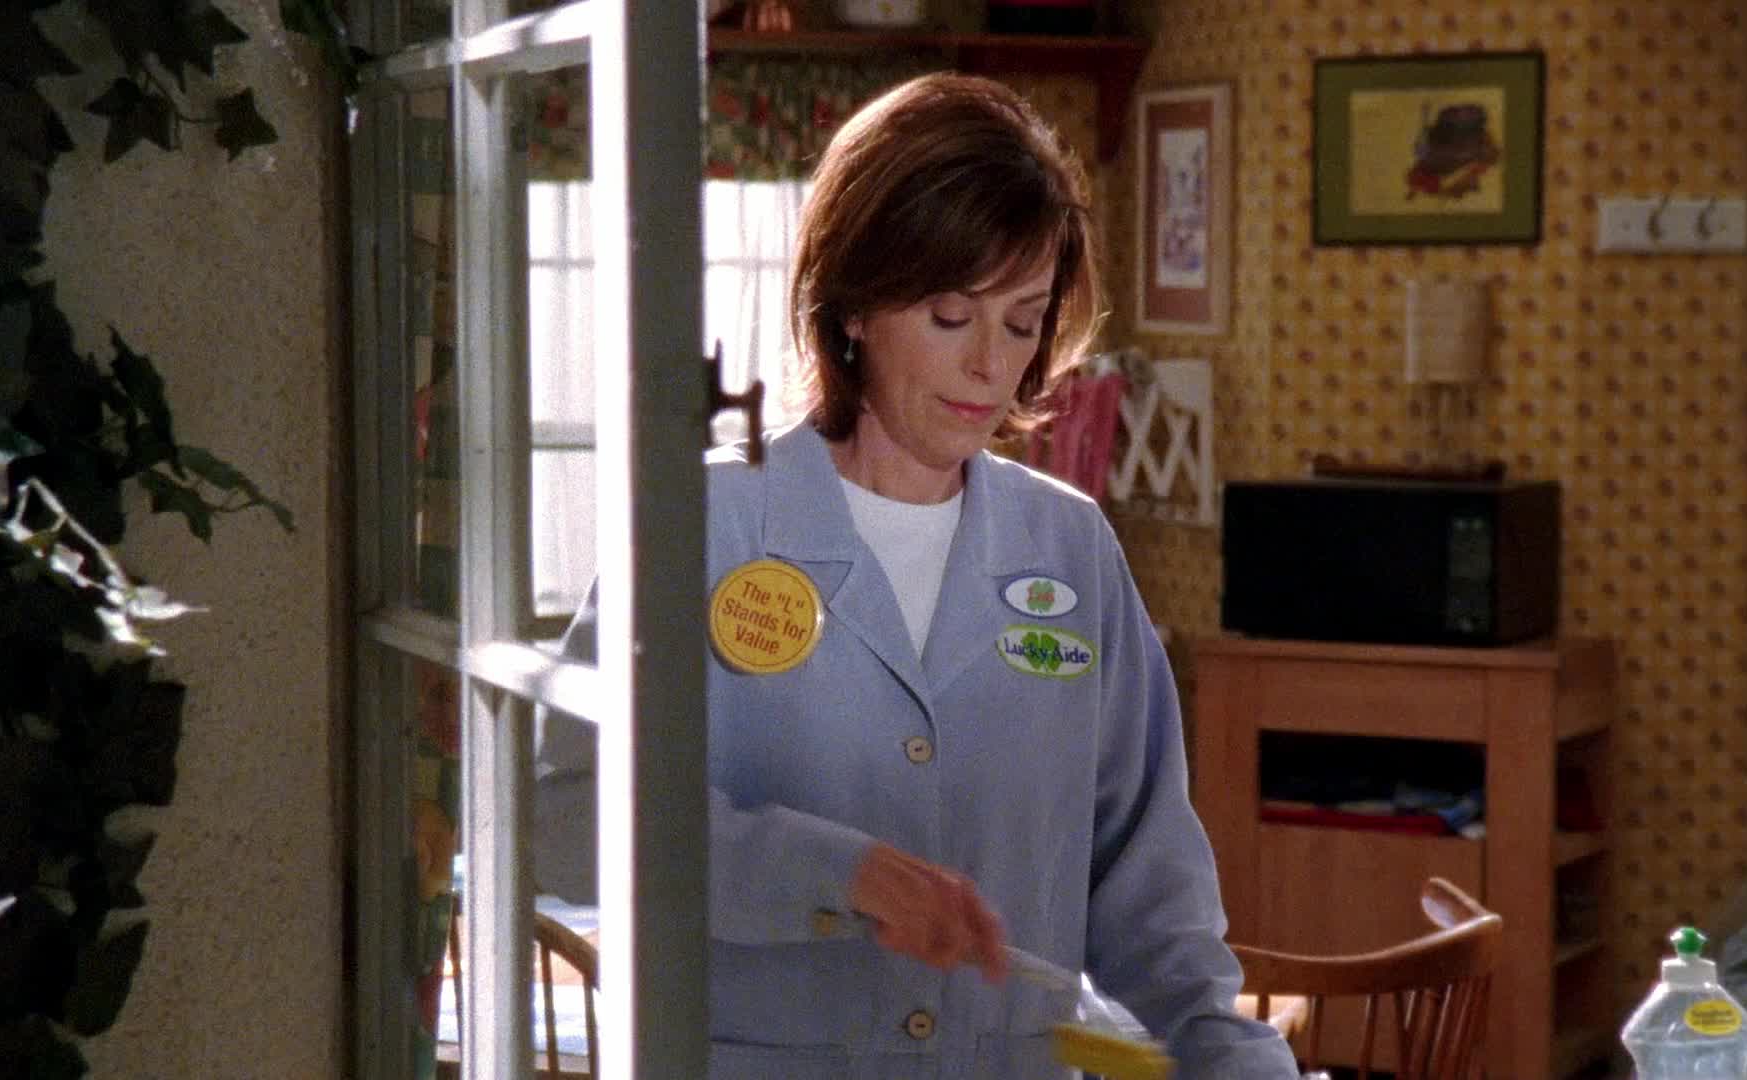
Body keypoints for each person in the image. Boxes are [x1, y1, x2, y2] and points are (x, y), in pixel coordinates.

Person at [538, 72, 1298, 1079]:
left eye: (1022, 323)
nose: (991, 366)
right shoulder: (703, 525)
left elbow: (1152, 900)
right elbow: (564, 816)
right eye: (950, 316)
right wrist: (834, 871)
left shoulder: (1072, 551)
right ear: (854, 304)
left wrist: (1232, 1056)